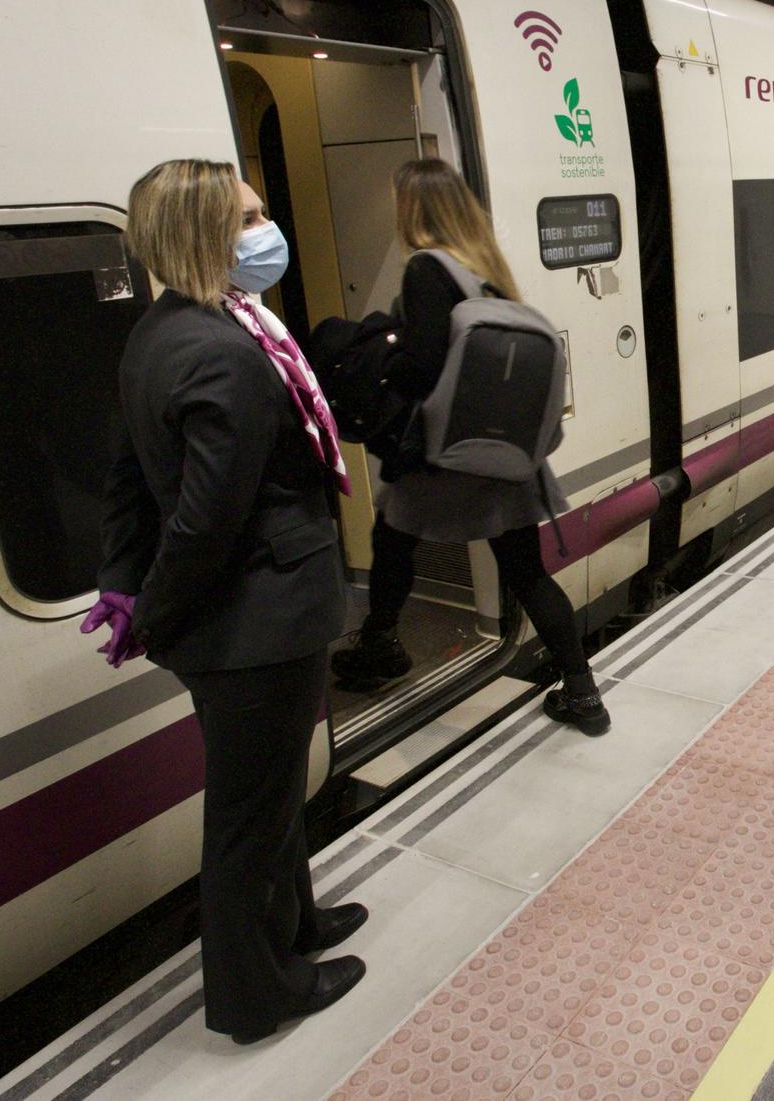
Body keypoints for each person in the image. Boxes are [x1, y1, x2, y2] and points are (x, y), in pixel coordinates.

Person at [93, 159, 366, 1044]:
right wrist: (157, 610)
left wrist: (123, 578)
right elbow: (208, 522)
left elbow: (129, 474)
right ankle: (258, 994)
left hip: (242, 620)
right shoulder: (224, 353)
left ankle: (299, 924)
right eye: (248, 217)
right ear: (207, 235)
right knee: (248, 819)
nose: (265, 229)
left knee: (276, 788)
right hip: (255, 623)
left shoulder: (162, 332)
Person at [331, 159, 609, 735]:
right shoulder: (487, 270)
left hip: (445, 457)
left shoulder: (425, 269)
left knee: (391, 541)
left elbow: (423, 366)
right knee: (527, 572)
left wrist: (385, 350)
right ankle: (584, 695)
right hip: (506, 461)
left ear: (413, 207)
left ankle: (380, 646)